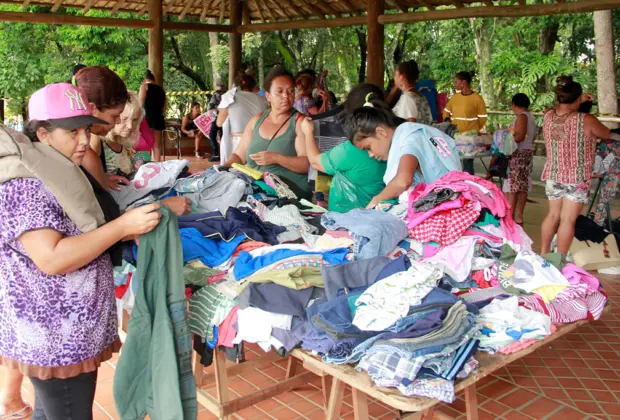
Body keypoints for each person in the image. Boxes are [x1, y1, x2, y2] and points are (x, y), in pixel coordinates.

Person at [0, 83, 161, 420]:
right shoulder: (29, 183)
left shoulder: (53, 168)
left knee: (49, 412)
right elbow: (52, 258)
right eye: (72, 132)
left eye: (86, 129)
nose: (85, 141)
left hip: (65, 333)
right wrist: (121, 227)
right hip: (57, 339)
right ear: (43, 134)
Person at [540, 76, 611, 255]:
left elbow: (553, 109)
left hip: (553, 173)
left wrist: (579, 99)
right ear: (577, 98)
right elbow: (606, 133)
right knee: (568, 220)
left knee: (553, 215)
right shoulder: (585, 119)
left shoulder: (548, 116)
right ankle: (560, 259)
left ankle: (543, 252)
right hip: (576, 177)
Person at [349, 100, 461, 208]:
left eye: (369, 148)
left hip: (451, 205)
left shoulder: (410, 139)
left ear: (381, 132)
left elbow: (402, 181)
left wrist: (374, 202)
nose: (371, 155)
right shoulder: (406, 136)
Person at [225, 67, 310, 199]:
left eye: (290, 91)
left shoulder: (300, 122)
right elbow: (239, 156)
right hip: (258, 190)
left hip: (290, 193)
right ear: (268, 96)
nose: (286, 96)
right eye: (279, 92)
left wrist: (276, 158)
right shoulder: (257, 120)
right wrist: (222, 169)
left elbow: (306, 164)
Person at [301, 84, 388, 212]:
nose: (371, 153)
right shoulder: (393, 138)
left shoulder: (353, 149)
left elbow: (315, 162)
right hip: (381, 214)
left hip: (348, 220)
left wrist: (308, 132)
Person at [76, 66, 132, 191]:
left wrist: (99, 178)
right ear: (92, 109)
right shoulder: (85, 153)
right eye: (115, 115)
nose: (117, 121)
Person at [502, 93, 538, 225]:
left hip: (519, 152)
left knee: (513, 186)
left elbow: (519, 136)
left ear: (515, 105)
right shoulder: (531, 117)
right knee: (522, 185)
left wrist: (507, 137)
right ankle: (518, 215)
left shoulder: (522, 117)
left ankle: (510, 215)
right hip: (527, 152)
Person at [442, 71, 487, 175]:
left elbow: (483, 118)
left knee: (467, 163)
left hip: (469, 137)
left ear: (463, 82)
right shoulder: (454, 98)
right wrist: (447, 121)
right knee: (454, 161)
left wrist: (475, 130)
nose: (455, 84)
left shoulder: (477, 98)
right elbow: (446, 112)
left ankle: (468, 185)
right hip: (455, 135)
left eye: (456, 81)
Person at [217, 74, 268, 165]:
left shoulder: (229, 98)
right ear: (254, 86)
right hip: (258, 142)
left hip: (237, 142)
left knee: (234, 173)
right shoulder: (263, 100)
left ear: (236, 86)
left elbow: (219, 123)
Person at [389, 60, 433, 125]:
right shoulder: (419, 95)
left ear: (402, 77)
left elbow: (410, 123)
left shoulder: (407, 98)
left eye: (395, 75)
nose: (394, 78)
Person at [139, 69, 166, 162]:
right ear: (154, 80)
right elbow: (164, 108)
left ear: (145, 79)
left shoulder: (144, 87)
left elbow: (140, 103)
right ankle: (157, 165)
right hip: (158, 118)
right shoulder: (161, 90)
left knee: (146, 143)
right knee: (157, 145)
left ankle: (146, 165)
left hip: (147, 118)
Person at [207, 80, 227, 162]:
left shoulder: (216, 94)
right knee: (223, 137)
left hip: (216, 118)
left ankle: (216, 154)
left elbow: (210, 106)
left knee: (212, 135)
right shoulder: (227, 94)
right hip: (225, 118)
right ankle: (224, 154)